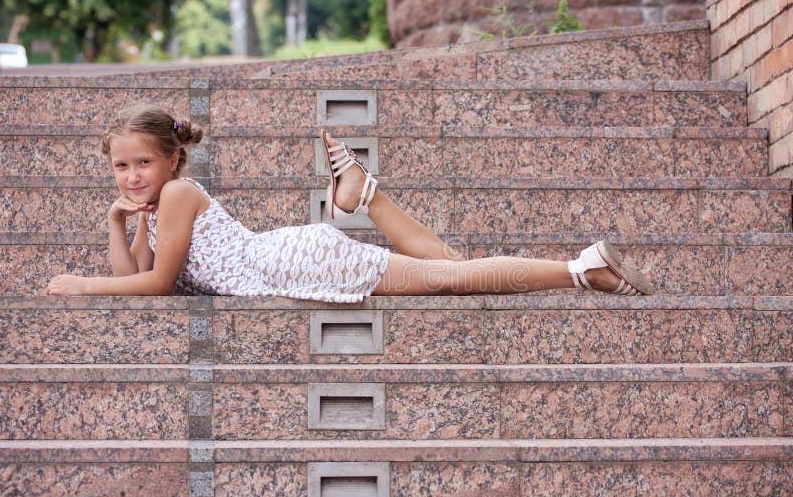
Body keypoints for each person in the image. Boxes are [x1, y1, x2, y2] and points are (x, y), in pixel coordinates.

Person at [45, 105, 653, 299]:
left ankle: (581, 268)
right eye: (120, 166)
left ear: (173, 159)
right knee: (449, 268)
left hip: (298, 262)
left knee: (453, 280)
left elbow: (152, 287)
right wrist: (114, 225)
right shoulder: (156, 206)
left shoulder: (178, 193)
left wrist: (78, 284)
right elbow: (137, 279)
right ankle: (367, 196)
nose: (131, 177)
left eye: (142, 162)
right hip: (290, 258)